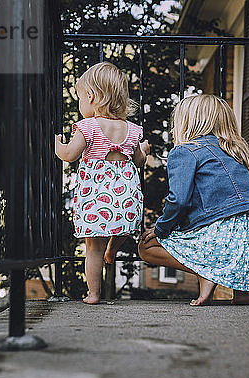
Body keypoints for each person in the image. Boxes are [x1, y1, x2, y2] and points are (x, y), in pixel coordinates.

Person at [138, 94, 249, 306]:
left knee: (147, 247)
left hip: (219, 234)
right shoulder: (234, 152)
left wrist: (161, 228)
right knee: (242, 297)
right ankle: (242, 290)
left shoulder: (184, 152)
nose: (173, 130)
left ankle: (207, 273)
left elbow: (179, 201)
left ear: (188, 124)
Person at [55, 62, 150, 304]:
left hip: (97, 199)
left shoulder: (88, 127)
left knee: (92, 249)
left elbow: (69, 155)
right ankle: (114, 247)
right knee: (125, 226)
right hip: (125, 198)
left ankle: (94, 294)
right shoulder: (132, 130)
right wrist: (145, 151)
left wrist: (57, 144)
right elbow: (139, 161)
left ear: (91, 96)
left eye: (80, 98)